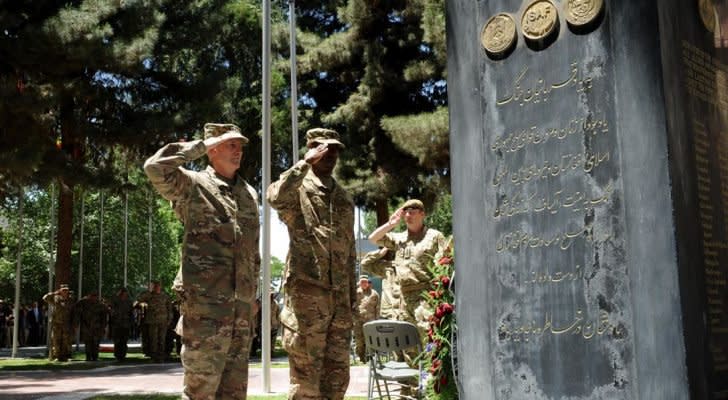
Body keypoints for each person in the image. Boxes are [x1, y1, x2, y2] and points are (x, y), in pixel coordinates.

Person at [144, 122, 260, 399]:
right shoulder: (193, 185)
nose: (238, 151)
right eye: (231, 144)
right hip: (206, 312)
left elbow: (251, 251)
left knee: (234, 394)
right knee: (200, 393)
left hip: (240, 315)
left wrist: (254, 294)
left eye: (240, 145)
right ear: (213, 149)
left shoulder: (249, 194)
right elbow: (154, 168)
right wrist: (198, 147)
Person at [267, 127, 357, 400]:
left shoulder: (344, 199)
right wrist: (303, 164)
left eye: (334, 151)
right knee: (306, 384)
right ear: (311, 149)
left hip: (339, 306)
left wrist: (351, 301)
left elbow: (350, 251)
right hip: (307, 301)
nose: (329, 155)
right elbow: (274, 197)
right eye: (322, 149)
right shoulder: (298, 189)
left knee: (337, 381)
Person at [368, 199, 446, 336]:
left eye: (411, 212)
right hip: (403, 299)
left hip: (426, 296)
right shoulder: (399, 238)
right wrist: (390, 224)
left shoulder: (434, 236)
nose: (407, 216)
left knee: (429, 342)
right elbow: (373, 239)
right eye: (405, 214)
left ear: (422, 214)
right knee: (408, 346)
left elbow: (445, 263)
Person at [136, 280, 172, 363]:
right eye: (154, 286)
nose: (155, 288)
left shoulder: (165, 296)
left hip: (163, 321)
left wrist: (169, 320)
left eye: (157, 286)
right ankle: (153, 356)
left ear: (160, 287)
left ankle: (161, 357)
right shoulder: (148, 295)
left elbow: (169, 309)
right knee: (153, 340)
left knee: (162, 340)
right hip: (152, 321)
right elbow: (137, 301)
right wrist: (144, 300)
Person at [360, 247, 398, 320]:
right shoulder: (385, 266)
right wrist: (379, 253)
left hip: (406, 309)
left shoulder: (407, 263)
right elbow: (364, 264)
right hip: (389, 311)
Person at [42, 284, 74, 361]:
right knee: (56, 340)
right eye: (63, 290)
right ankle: (56, 356)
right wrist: (54, 293)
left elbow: (73, 311)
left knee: (65, 341)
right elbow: (44, 298)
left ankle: (64, 356)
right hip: (57, 323)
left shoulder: (70, 300)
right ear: (60, 290)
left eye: (66, 290)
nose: (65, 292)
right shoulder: (56, 298)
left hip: (66, 323)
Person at [353, 275, 380, 363]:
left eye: (366, 282)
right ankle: (361, 359)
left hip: (370, 321)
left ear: (368, 283)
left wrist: (377, 320)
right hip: (358, 321)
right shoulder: (355, 293)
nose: (364, 283)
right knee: (359, 340)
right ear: (359, 283)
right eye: (362, 282)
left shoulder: (374, 293)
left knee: (371, 339)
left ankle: (372, 359)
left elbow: (378, 307)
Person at [75, 292, 108, 361]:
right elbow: (77, 306)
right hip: (86, 327)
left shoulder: (100, 305)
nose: (94, 298)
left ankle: (95, 357)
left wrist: (103, 327)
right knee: (88, 343)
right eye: (92, 296)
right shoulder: (84, 303)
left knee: (96, 343)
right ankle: (88, 357)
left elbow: (104, 317)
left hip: (97, 327)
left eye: (95, 296)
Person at [109, 287, 134, 361]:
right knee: (117, 340)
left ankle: (123, 355)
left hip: (126, 324)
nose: (124, 295)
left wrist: (131, 322)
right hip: (117, 323)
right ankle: (117, 355)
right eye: (122, 293)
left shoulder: (129, 301)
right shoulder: (115, 300)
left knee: (124, 341)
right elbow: (111, 307)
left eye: (125, 293)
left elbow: (131, 313)